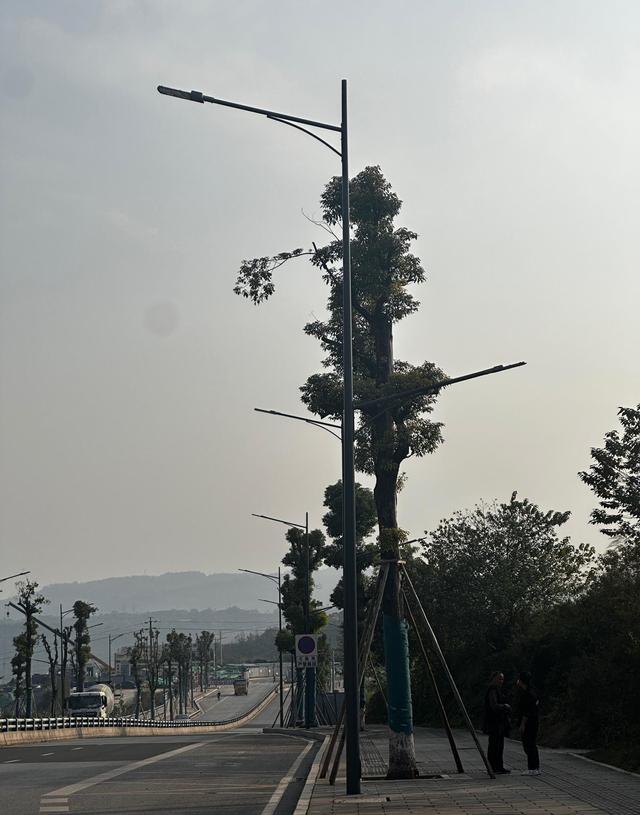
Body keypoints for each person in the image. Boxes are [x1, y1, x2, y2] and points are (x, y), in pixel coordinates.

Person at [483, 671, 512, 774]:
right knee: (495, 745)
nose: (501, 681)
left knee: (498, 745)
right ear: (494, 678)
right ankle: (494, 767)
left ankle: (497, 766)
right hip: (494, 723)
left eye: (502, 679)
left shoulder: (497, 690)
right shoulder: (492, 690)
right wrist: (505, 707)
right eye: (499, 678)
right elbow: (494, 706)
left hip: (498, 723)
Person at [516, 671, 541, 776]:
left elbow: (527, 711)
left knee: (529, 744)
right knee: (532, 744)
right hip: (534, 720)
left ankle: (532, 768)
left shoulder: (528, 694)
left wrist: (522, 724)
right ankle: (535, 767)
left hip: (529, 722)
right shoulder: (532, 691)